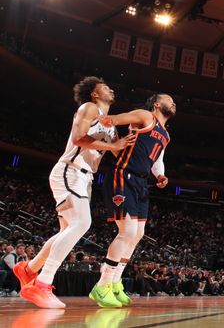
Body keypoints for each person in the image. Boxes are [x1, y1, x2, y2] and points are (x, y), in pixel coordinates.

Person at [16, 77, 133, 309]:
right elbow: (80, 138)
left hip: (85, 177)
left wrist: (135, 139)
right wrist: (112, 146)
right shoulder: (89, 108)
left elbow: (121, 156)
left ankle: (28, 269)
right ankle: (41, 284)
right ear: (94, 94)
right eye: (104, 86)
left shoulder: (110, 125)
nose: (110, 87)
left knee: (68, 229)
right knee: (82, 223)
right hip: (71, 171)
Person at [91, 94, 176, 307]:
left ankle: (115, 281)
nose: (173, 103)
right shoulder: (145, 116)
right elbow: (113, 120)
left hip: (141, 182)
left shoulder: (165, 134)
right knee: (127, 231)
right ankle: (102, 285)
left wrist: (160, 175)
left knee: (138, 234)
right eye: (169, 99)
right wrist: (112, 138)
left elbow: (158, 161)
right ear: (157, 104)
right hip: (123, 175)